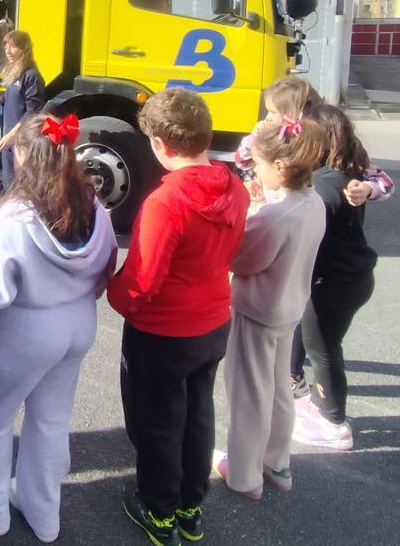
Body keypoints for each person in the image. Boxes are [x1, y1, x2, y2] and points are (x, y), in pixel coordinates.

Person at [0, 113, 116, 543]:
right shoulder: (92, 203)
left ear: (24, 154)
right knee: (51, 420)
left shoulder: (13, 217)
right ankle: (44, 511)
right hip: (78, 322)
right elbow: (106, 263)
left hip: (25, 330)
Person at [107, 87, 249, 545]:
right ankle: (191, 504)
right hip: (212, 321)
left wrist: (112, 293)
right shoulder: (234, 187)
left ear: (160, 145)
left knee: (157, 422)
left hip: (163, 332)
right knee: (198, 415)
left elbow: (140, 283)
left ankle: (159, 509)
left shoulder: (165, 203)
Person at [214, 117, 326, 501]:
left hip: (257, 312)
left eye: (259, 165)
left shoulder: (273, 216)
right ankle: (278, 463)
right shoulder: (312, 203)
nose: (255, 171)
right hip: (289, 309)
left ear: (280, 167)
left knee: (248, 391)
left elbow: (241, 259)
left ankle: (244, 473)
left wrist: (252, 210)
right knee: (278, 387)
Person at [289, 104, 379, 451]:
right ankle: (322, 406)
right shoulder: (346, 173)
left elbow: (305, 234)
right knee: (325, 345)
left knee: (322, 349)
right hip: (353, 277)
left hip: (333, 284)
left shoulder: (325, 188)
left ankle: (333, 422)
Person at [234, 76, 394, 208]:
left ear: (295, 115)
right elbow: (242, 161)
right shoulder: (274, 138)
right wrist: (254, 138)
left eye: (272, 112)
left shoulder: (331, 141)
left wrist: (367, 189)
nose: (267, 117)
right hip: (279, 214)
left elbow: (385, 182)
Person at [0, 30, 44, 187]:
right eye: (6, 46)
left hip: (21, 140)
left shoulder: (32, 76)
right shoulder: (16, 74)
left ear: (25, 49)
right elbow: (7, 99)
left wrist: (12, 135)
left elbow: (32, 112)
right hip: (9, 139)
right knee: (8, 181)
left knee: (21, 184)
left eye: (13, 47)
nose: (8, 51)